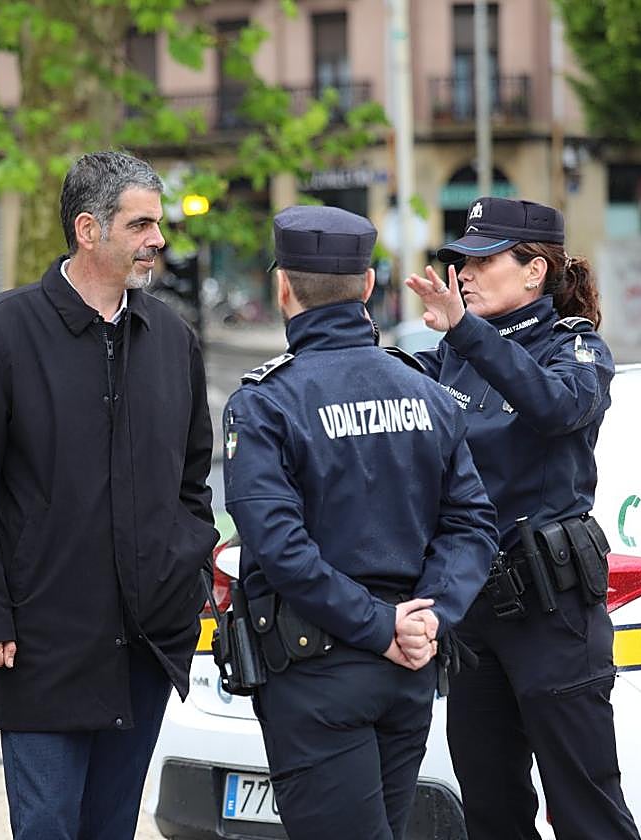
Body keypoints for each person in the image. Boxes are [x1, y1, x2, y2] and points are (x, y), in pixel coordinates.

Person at [0, 150, 218, 840]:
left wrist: (182, 572)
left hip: (145, 644)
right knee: (46, 829)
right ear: (89, 230)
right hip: (41, 642)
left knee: (111, 829)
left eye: (158, 222)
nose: (159, 239)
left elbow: (193, 477)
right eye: (141, 224)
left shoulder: (173, 339)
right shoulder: (2, 334)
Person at [223, 205, 499, 840]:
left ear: (283, 287)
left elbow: (281, 549)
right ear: (369, 286)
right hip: (411, 663)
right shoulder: (423, 391)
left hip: (320, 672)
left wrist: (381, 628)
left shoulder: (266, 403)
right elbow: (472, 525)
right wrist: (430, 616)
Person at [405, 196, 640, 840]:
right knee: (490, 809)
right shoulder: (453, 354)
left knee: (586, 808)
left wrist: (466, 333)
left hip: (551, 610)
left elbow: (558, 408)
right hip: (472, 612)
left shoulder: (575, 348)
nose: (465, 273)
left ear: (534, 271)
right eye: (460, 261)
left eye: (482, 260)